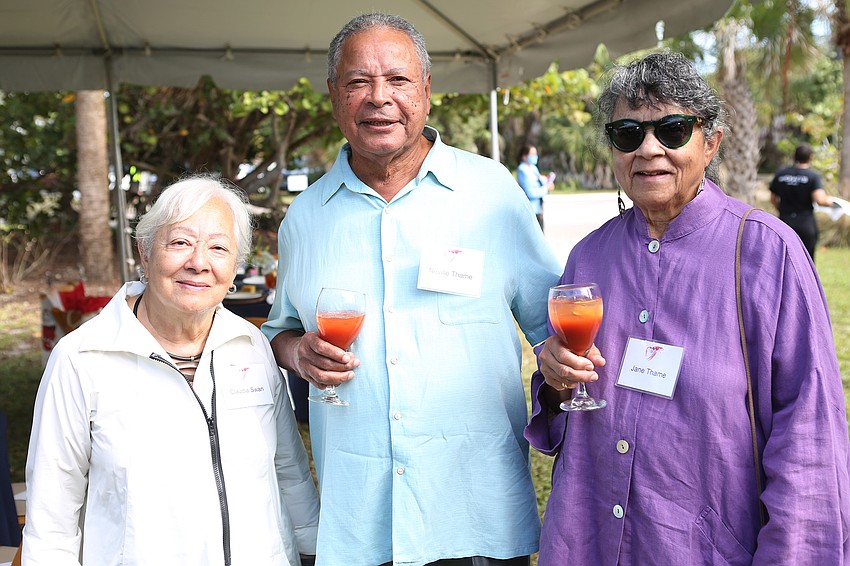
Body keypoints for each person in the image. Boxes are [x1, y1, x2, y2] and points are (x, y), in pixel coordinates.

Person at [525, 51, 850, 565]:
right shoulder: (589, 256)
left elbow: (810, 441)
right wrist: (556, 377)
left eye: (672, 130)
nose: (648, 148)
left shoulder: (768, 254)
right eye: (628, 133)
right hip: (588, 542)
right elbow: (565, 413)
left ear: (711, 142)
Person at [261, 12, 562, 566]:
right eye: (358, 81)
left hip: (476, 510)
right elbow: (280, 331)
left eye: (397, 80)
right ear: (334, 95)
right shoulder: (305, 218)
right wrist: (298, 352)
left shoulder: (490, 192)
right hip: (360, 521)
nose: (379, 98)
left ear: (426, 89)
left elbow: (554, 324)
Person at [24, 175, 319, 565]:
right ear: (145, 254)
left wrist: (314, 550)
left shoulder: (250, 346)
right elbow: (52, 514)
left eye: (218, 248)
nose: (198, 263)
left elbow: (288, 468)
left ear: (235, 268)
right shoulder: (82, 358)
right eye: (180, 243)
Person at [769, 142, 833, 261]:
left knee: (784, 259)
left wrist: (783, 210)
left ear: (794, 156)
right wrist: (830, 201)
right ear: (811, 157)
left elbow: (773, 199)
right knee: (806, 261)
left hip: (785, 221)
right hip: (805, 223)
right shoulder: (812, 176)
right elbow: (819, 200)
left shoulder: (781, 174)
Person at [516, 144, 555, 230]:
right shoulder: (522, 170)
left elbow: (540, 180)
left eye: (535, 154)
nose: (535, 157)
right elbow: (530, 193)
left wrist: (548, 183)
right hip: (530, 211)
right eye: (532, 154)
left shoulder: (533, 168)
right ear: (524, 156)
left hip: (538, 208)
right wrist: (546, 189)